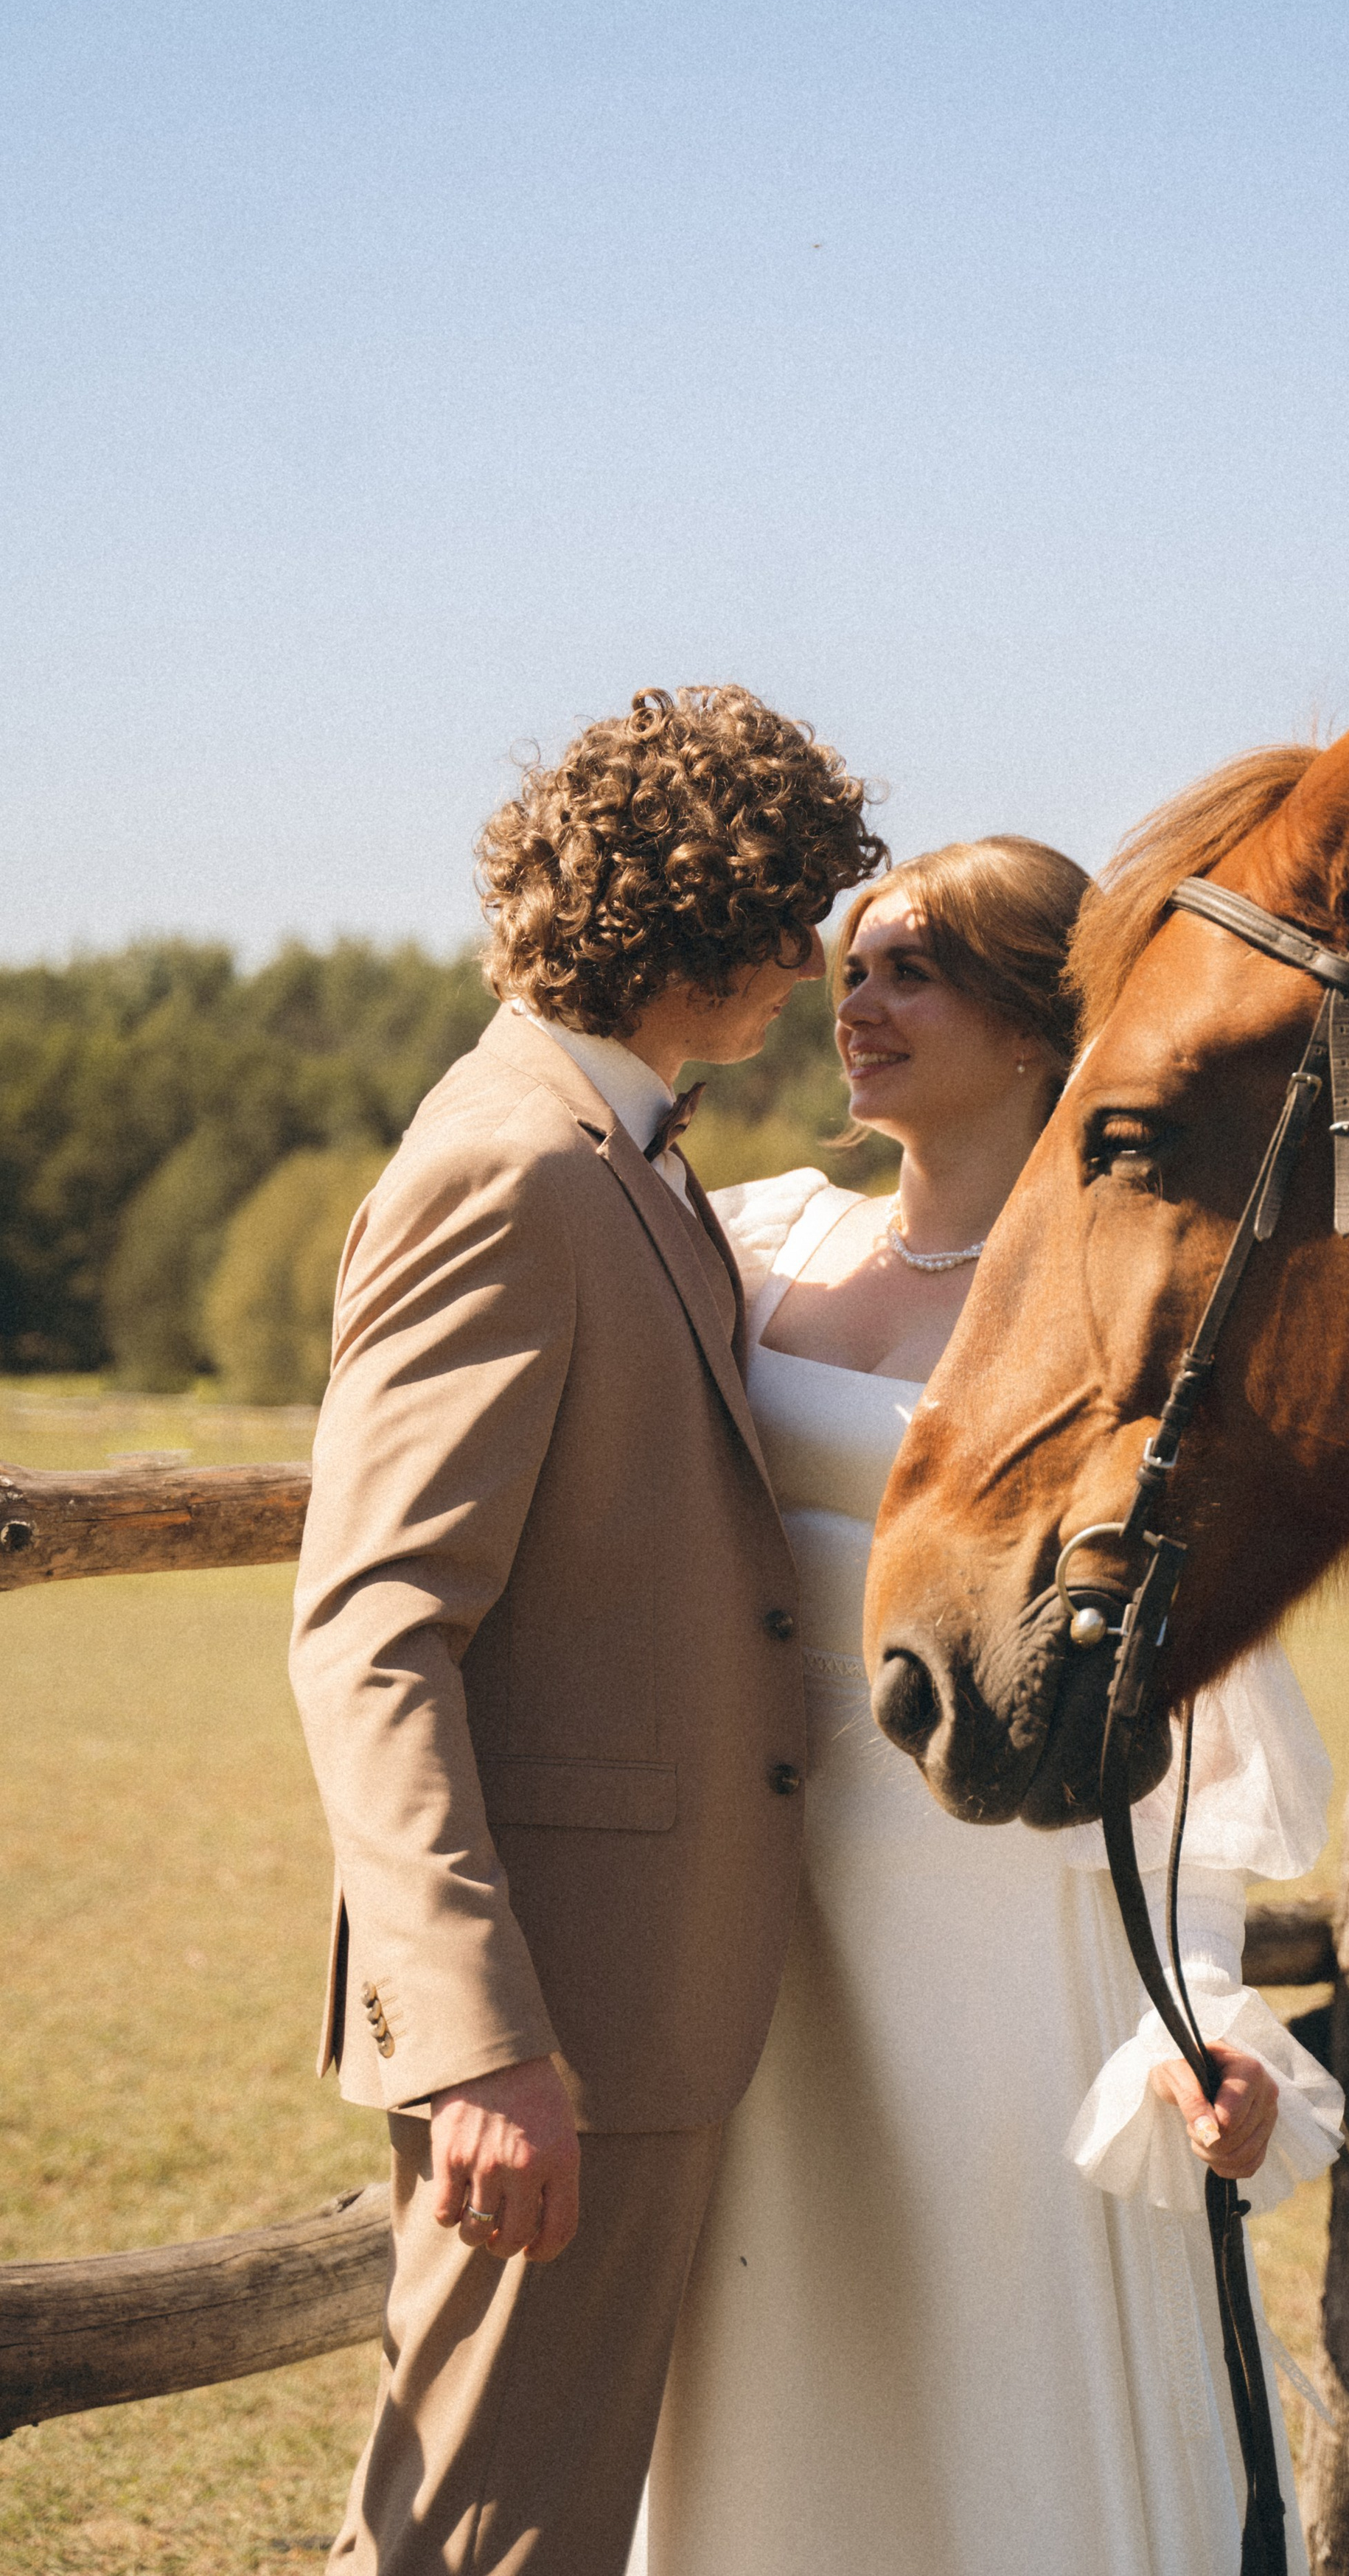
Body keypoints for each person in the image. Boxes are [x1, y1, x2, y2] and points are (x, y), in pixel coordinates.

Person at [632, 836, 1345, 2576]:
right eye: (852, 965)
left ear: (1037, 1027)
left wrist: (1204, 2019)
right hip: (759, 1918)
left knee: (998, 2404)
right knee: (770, 2381)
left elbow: (1187, 1727)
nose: (853, 1004)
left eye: (909, 969)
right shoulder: (740, 1249)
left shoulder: (1124, 1311)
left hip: (1006, 1952)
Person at [288, 688, 885, 2575]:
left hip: (645, 1997)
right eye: (787, 912)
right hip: (561, 2013)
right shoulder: (517, 1169)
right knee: (478, 2538)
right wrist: (476, 2043)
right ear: (695, 915)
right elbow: (374, 1630)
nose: (807, 965)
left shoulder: (626, 1154)